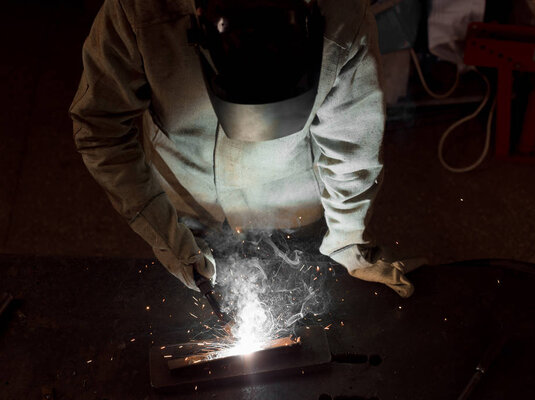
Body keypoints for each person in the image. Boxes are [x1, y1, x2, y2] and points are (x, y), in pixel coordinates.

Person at [69, 0, 424, 298]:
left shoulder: (343, 17)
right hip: (187, 212)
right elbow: (100, 127)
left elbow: (352, 149)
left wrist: (349, 240)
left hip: (293, 212)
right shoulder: (139, 12)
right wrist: (165, 235)